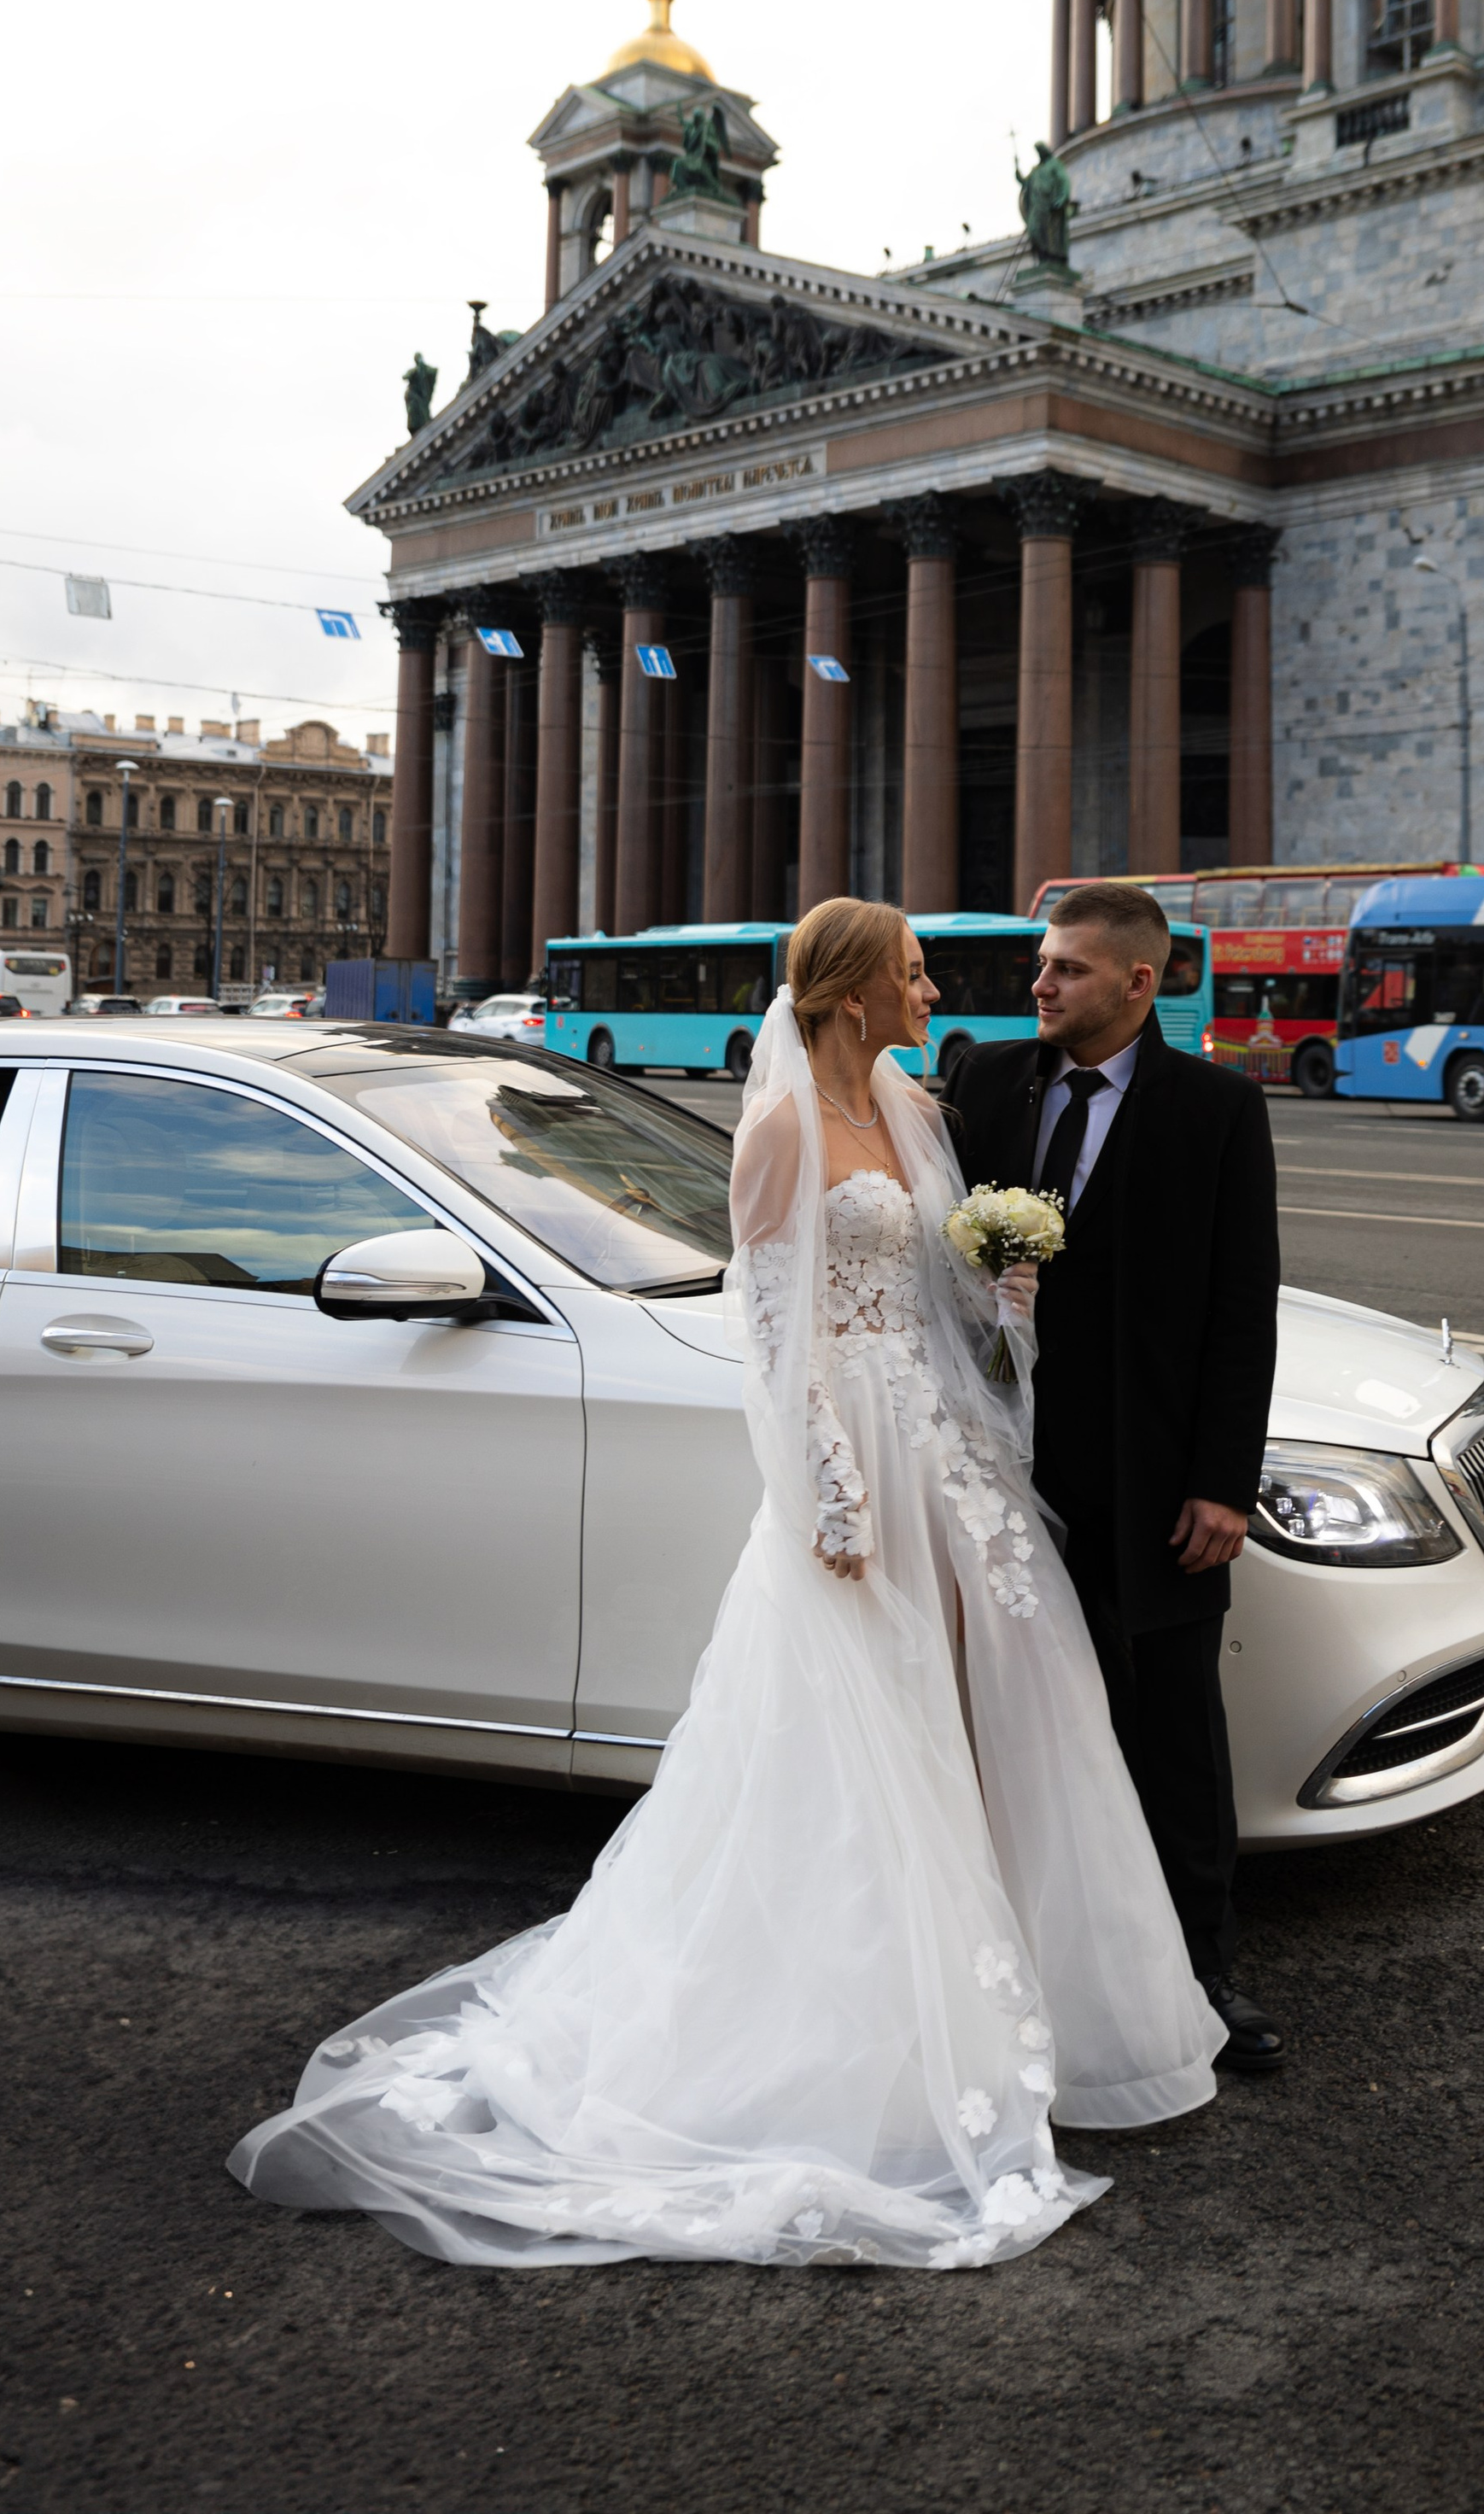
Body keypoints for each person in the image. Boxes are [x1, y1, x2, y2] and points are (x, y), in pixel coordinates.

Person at [229, 900, 1223, 2273]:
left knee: (1014, 1705)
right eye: (918, 971)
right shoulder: (776, 1132)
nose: (941, 989)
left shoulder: (909, 1103)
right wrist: (833, 1489)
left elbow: (931, 1288)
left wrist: (1004, 1312)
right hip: (857, 1457)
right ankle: (878, 2037)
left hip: (943, 1439)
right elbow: (776, 1330)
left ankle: (1045, 2012)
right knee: (870, 1747)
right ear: (860, 988)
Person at [949, 884, 1285, 2071]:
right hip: (1000, 1472)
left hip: (1152, 1488)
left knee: (1173, 1729)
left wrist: (1222, 1482)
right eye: (1044, 964)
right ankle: (1035, 1971)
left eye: (1071, 970)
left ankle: (1202, 1976)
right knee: (1022, 1724)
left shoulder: (1219, 1110)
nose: (1041, 984)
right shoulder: (986, 1080)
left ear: (1141, 983)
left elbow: (1244, 1313)